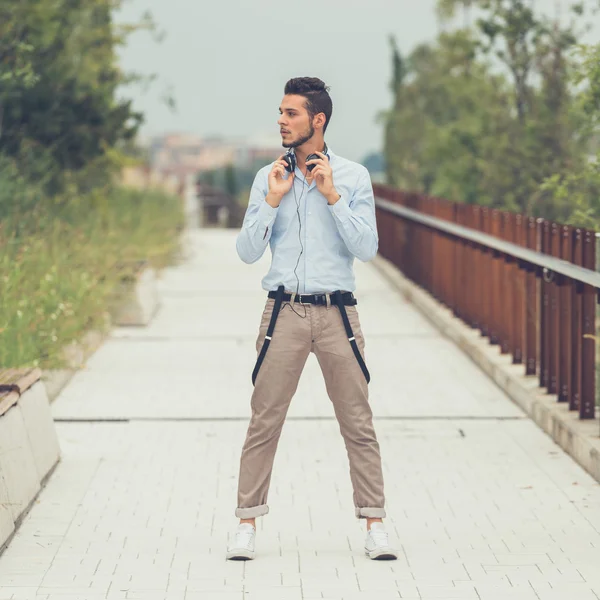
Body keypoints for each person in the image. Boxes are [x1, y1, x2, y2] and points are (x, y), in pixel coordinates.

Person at [227, 77, 397, 561]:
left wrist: (332, 195)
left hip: (338, 314)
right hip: (283, 311)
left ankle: (375, 522)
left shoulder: (354, 176)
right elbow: (245, 252)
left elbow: (367, 249)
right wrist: (274, 200)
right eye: (280, 112)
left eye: (291, 113)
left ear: (317, 120)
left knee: (358, 423)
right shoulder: (267, 177)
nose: (281, 121)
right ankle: (246, 522)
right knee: (264, 420)